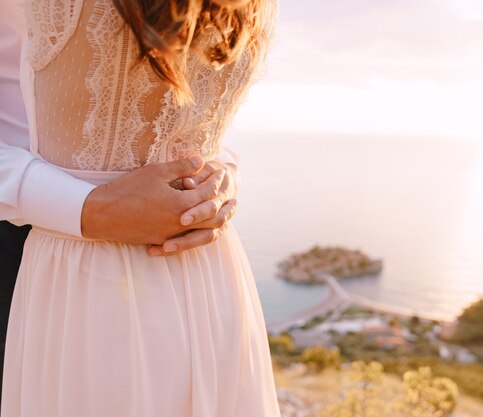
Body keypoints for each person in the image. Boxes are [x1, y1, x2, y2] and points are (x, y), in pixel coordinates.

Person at [1, 0, 281, 415]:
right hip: (74, 270)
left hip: (206, 272)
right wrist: (90, 208)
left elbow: (192, 118)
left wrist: (220, 176)